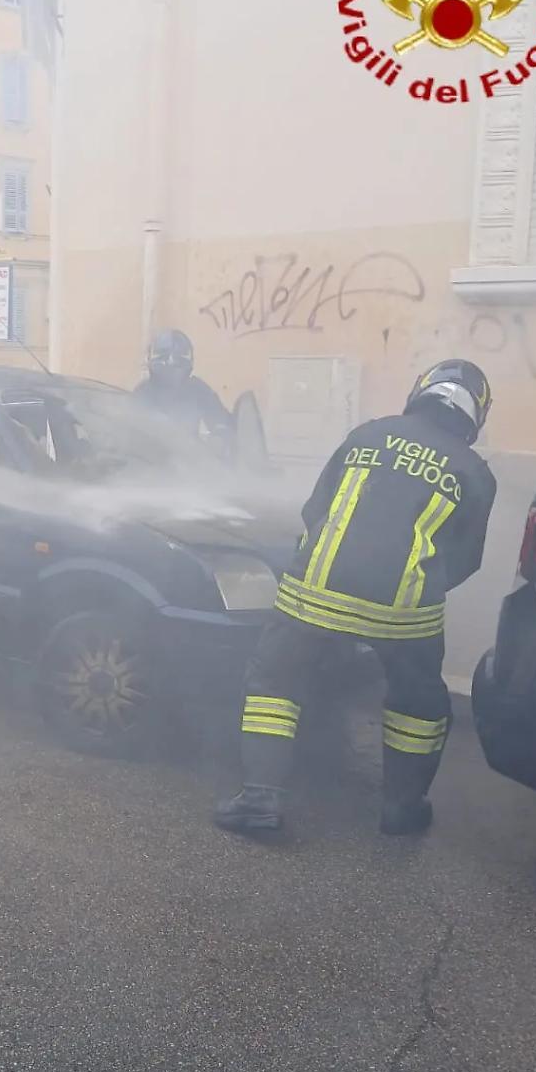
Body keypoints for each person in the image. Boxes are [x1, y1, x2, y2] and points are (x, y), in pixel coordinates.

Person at [215, 359, 497, 837]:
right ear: (476, 414)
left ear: (420, 391)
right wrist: (413, 588)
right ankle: (402, 809)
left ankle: (260, 802)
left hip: (315, 593)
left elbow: (315, 509)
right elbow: (466, 558)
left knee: (274, 681)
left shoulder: (368, 434)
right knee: (418, 704)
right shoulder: (474, 471)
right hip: (406, 614)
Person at [133, 329, 235, 453]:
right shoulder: (143, 393)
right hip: (149, 462)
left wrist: (219, 437)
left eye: (177, 361)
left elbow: (221, 419)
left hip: (189, 462)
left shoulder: (197, 389)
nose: (170, 363)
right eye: (164, 358)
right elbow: (128, 433)